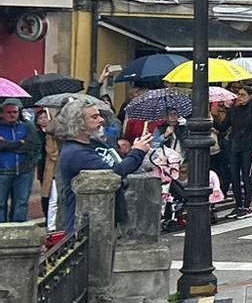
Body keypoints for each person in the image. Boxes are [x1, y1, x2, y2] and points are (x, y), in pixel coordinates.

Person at [49, 97, 151, 238]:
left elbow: (116, 162)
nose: (101, 120)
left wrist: (135, 148)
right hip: (86, 225)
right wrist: (138, 152)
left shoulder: (93, 142)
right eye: (94, 117)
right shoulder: (75, 153)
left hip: (106, 218)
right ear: (78, 123)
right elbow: (113, 173)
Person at [0, 99, 37, 222]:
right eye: (9, 112)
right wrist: (18, 143)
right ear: (2, 113)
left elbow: (31, 146)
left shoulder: (27, 126)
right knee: (0, 204)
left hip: (24, 170)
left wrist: (6, 144)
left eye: (15, 112)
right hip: (2, 171)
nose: (12, 115)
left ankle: (19, 229)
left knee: (21, 203)